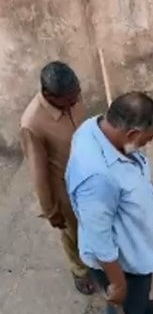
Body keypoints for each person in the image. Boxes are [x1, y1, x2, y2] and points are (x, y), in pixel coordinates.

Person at [66, 92, 153, 314]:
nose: (148, 144)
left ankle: (143, 311)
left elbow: (131, 172)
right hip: (119, 261)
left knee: (138, 296)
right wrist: (118, 283)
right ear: (132, 132)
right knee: (124, 305)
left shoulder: (96, 127)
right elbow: (99, 237)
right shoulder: (97, 177)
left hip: (135, 243)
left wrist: (152, 190)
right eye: (147, 140)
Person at [20, 62, 96, 295]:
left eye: (77, 94)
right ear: (49, 95)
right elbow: (38, 173)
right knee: (73, 232)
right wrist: (52, 211)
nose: (75, 102)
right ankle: (80, 269)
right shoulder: (32, 123)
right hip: (65, 188)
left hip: (90, 174)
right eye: (69, 99)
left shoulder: (73, 97)